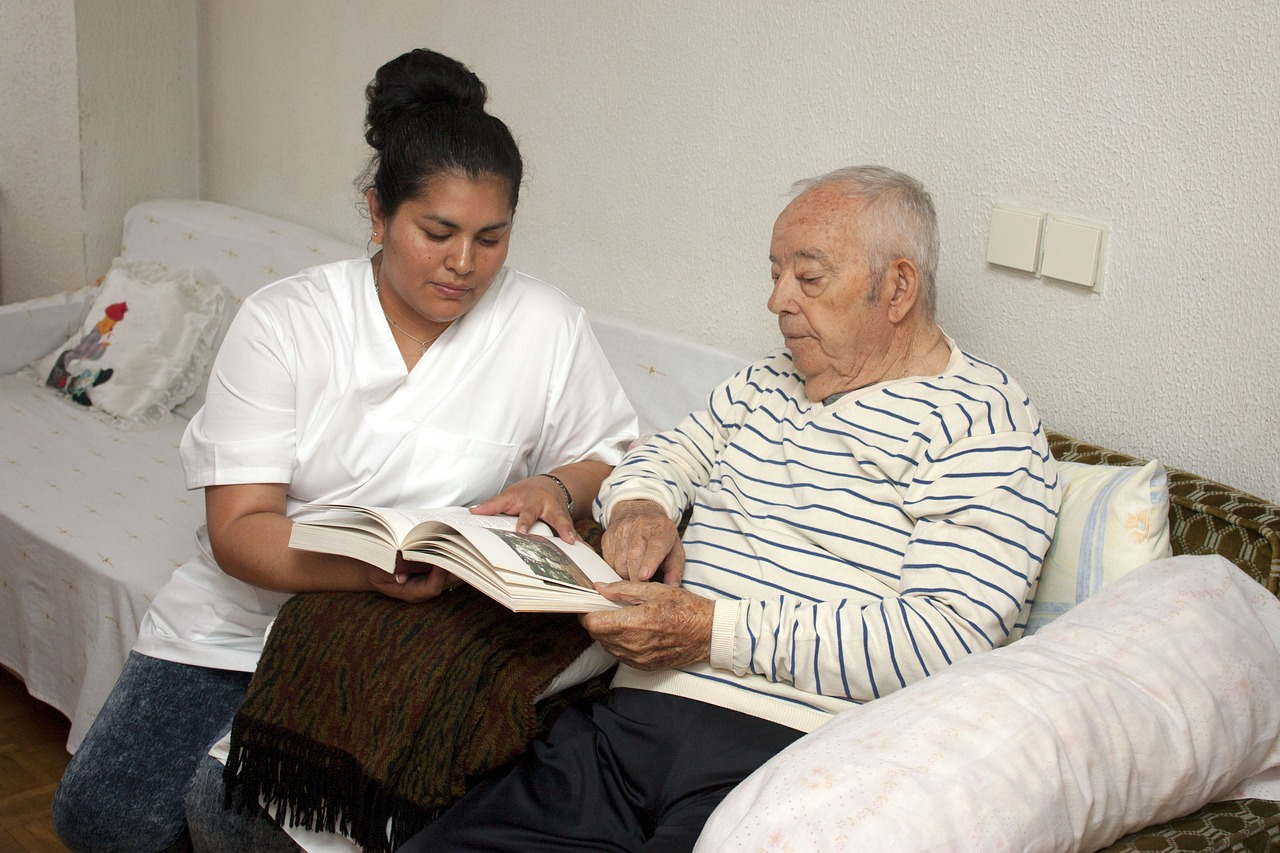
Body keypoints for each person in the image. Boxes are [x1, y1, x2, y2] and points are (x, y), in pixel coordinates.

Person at [50, 48, 638, 853]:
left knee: (227, 812)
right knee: (100, 817)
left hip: (397, 633)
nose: (464, 264)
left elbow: (606, 451)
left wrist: (553, 483)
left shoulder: (544, 322)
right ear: (376, 213)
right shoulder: (286, 322)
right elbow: (240, 528)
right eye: (437, 232)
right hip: (244, 617)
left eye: (491, 237)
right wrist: (365, 566)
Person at [398, 165, 1062, 852]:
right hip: (627, 723)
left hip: (797, 762)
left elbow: (944, 640)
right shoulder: (767, 380)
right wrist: (640, 507)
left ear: (896, 287)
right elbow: (661, 455)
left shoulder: (980, 422)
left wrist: (713, 631)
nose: (777, 301)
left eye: (808, 278)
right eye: (775, 273)